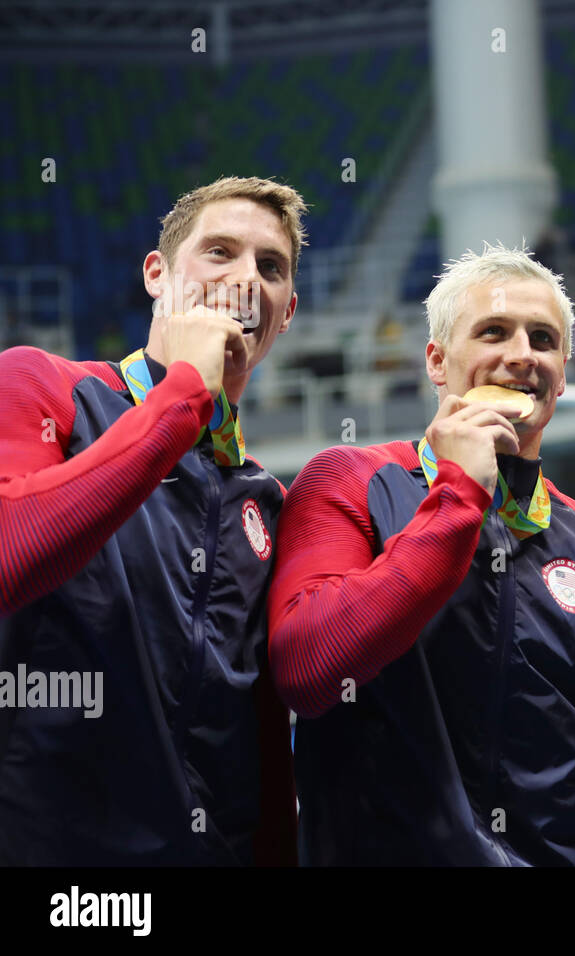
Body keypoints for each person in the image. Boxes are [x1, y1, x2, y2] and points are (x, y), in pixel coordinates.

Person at [268, 245, 575, 866]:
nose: (522, 355)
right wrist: (459, 496)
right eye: (494, 332)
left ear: (564, 374)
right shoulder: (349, 480)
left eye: (543, 339)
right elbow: (308, 670)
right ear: (437, 362)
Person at [0, 175, 304, 864]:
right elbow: (10, 551)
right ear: (157, 275)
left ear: (286, 315)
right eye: (219, 252)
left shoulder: (266, 499)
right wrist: (181, 399)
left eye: (271, 267)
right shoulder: (42, 387)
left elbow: (263, 739)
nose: (245, 278)